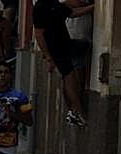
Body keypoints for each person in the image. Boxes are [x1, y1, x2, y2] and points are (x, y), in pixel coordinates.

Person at [32, 0, 95, 128]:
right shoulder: (40, 7)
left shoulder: (54, 4)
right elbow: (39, 35)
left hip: (65, 45)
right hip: (57, 50)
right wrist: (49, 57)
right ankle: (78, 111)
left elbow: (71, 13)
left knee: (83, 48)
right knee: (69, 78)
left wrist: (92, 8)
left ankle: (75, 110)